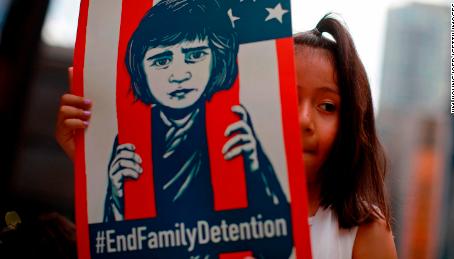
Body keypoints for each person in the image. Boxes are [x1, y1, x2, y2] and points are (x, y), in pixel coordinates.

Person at [57, 0, 292, 258]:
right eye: (161, 60)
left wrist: (254, 168)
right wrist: (112, 192)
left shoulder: (234, 127)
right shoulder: (130, 137)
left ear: (217, 57)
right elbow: (109, 249)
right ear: (140, 69)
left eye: (195, 55)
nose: (179, 74)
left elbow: (278, 246)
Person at [294, 14, 397, 258]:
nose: (303, 119)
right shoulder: (214, 219)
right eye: (288, 98)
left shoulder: (365, 230)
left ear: (350, 125)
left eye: (327, 106)